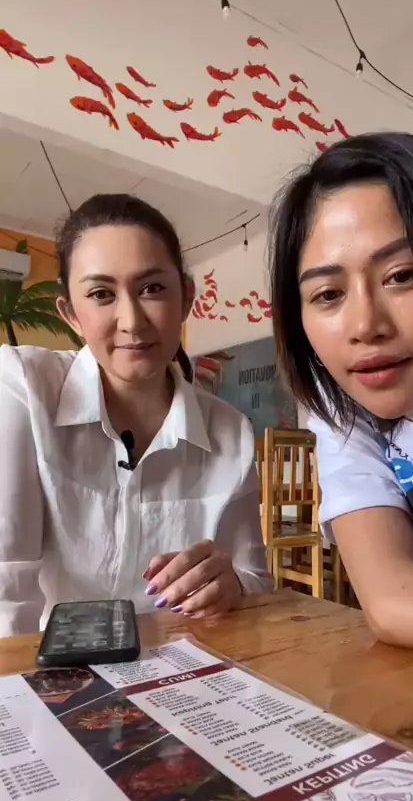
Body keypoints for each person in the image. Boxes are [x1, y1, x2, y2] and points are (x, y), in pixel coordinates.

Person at [0, 193, 272, 638]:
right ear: (71, 314)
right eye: (101, 294)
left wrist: (232, 584)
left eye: (152, 289)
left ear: (186, 297)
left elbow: (255, 580)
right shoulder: (24, 387)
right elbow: (6, 592)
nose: (131, 321)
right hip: (50, 663)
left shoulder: (229, 431)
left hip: (179, 661)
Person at [269, 131, 413, 663]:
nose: (365, 325)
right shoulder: (345, 415)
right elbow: (392, 598)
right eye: (328, 294)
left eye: (401, 275)